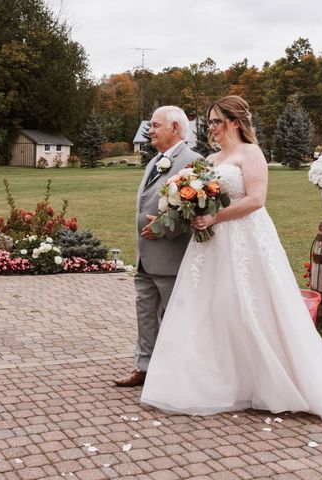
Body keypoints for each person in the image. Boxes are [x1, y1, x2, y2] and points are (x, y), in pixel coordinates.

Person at [140, 96, 322, 421]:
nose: (212, 128)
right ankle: (213, 381)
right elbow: (204, 198)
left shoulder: (251, 153)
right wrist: (190, 210)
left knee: (251, 304)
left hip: (245, 238)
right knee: (210, 307)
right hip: (211, 244)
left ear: (234, 121)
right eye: (210, 122)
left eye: (217, 121)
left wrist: (214, 218)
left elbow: (256, 200)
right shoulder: (213, 158)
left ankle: (272, 380)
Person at [114, 106, 203, 387]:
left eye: (155, 125)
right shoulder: (155, 161)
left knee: (176, 316)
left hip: (170, 255)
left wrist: (164, 228)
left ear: (175, 127)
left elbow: (197, 211)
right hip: (145, 256)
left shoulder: (194, 162)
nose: (149, 130)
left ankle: (175, 371)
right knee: (145, 313)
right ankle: (144, 367)